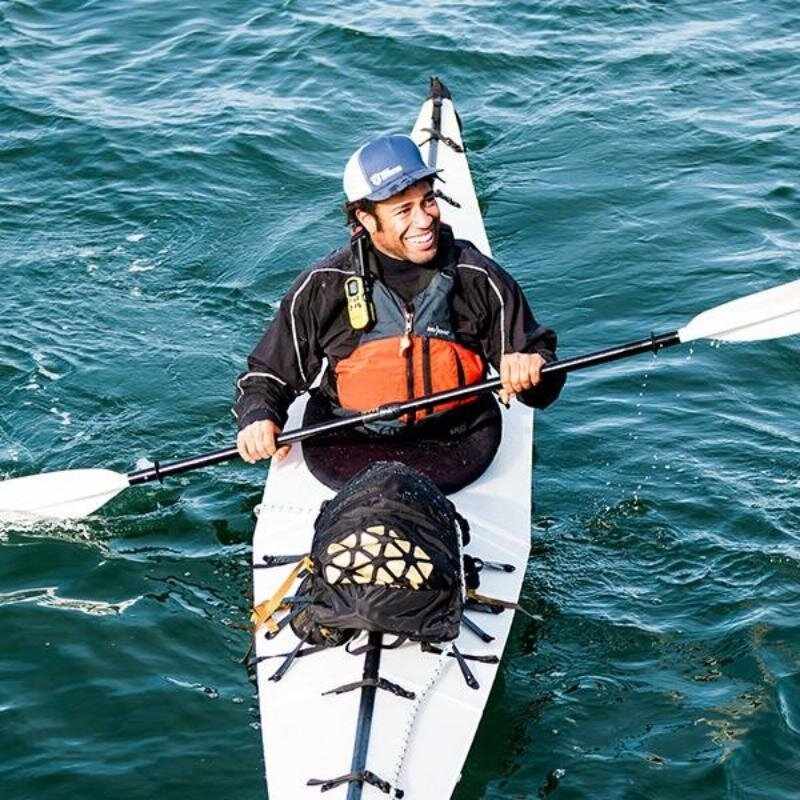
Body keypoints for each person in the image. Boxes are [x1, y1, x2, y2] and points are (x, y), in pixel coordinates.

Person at [234, 133, 565, 468]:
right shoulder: (322, 286)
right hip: (348, 445)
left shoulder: (478, 277)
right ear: (365, 218)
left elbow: (543, 387)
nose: (424, 220)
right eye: (403, 210)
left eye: (428, 200)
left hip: (458, 442)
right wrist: (259, 415)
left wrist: (533, 369)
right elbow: (268, 375)